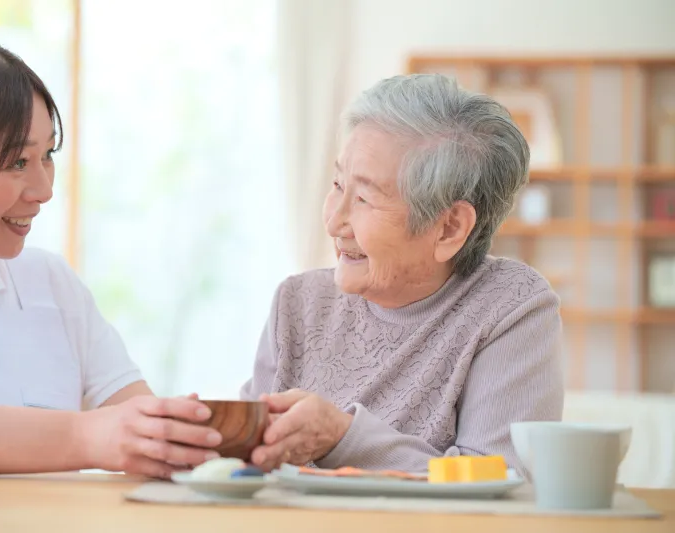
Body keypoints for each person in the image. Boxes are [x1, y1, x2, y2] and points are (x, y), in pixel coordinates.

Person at [0, 31, 222, 478]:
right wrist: (85, 437)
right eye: (18, 162)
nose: (44, 190)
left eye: (48, 155)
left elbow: (144, 430)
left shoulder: (49, 283)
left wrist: (230, 439)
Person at [242, 74, 564, 477]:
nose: (334, 221)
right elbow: (246, 468)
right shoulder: (299, 301)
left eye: (363, 198)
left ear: (449, 228)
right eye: (338, 184)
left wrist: (342, 438)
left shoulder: (510, 306)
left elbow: (503, 481)